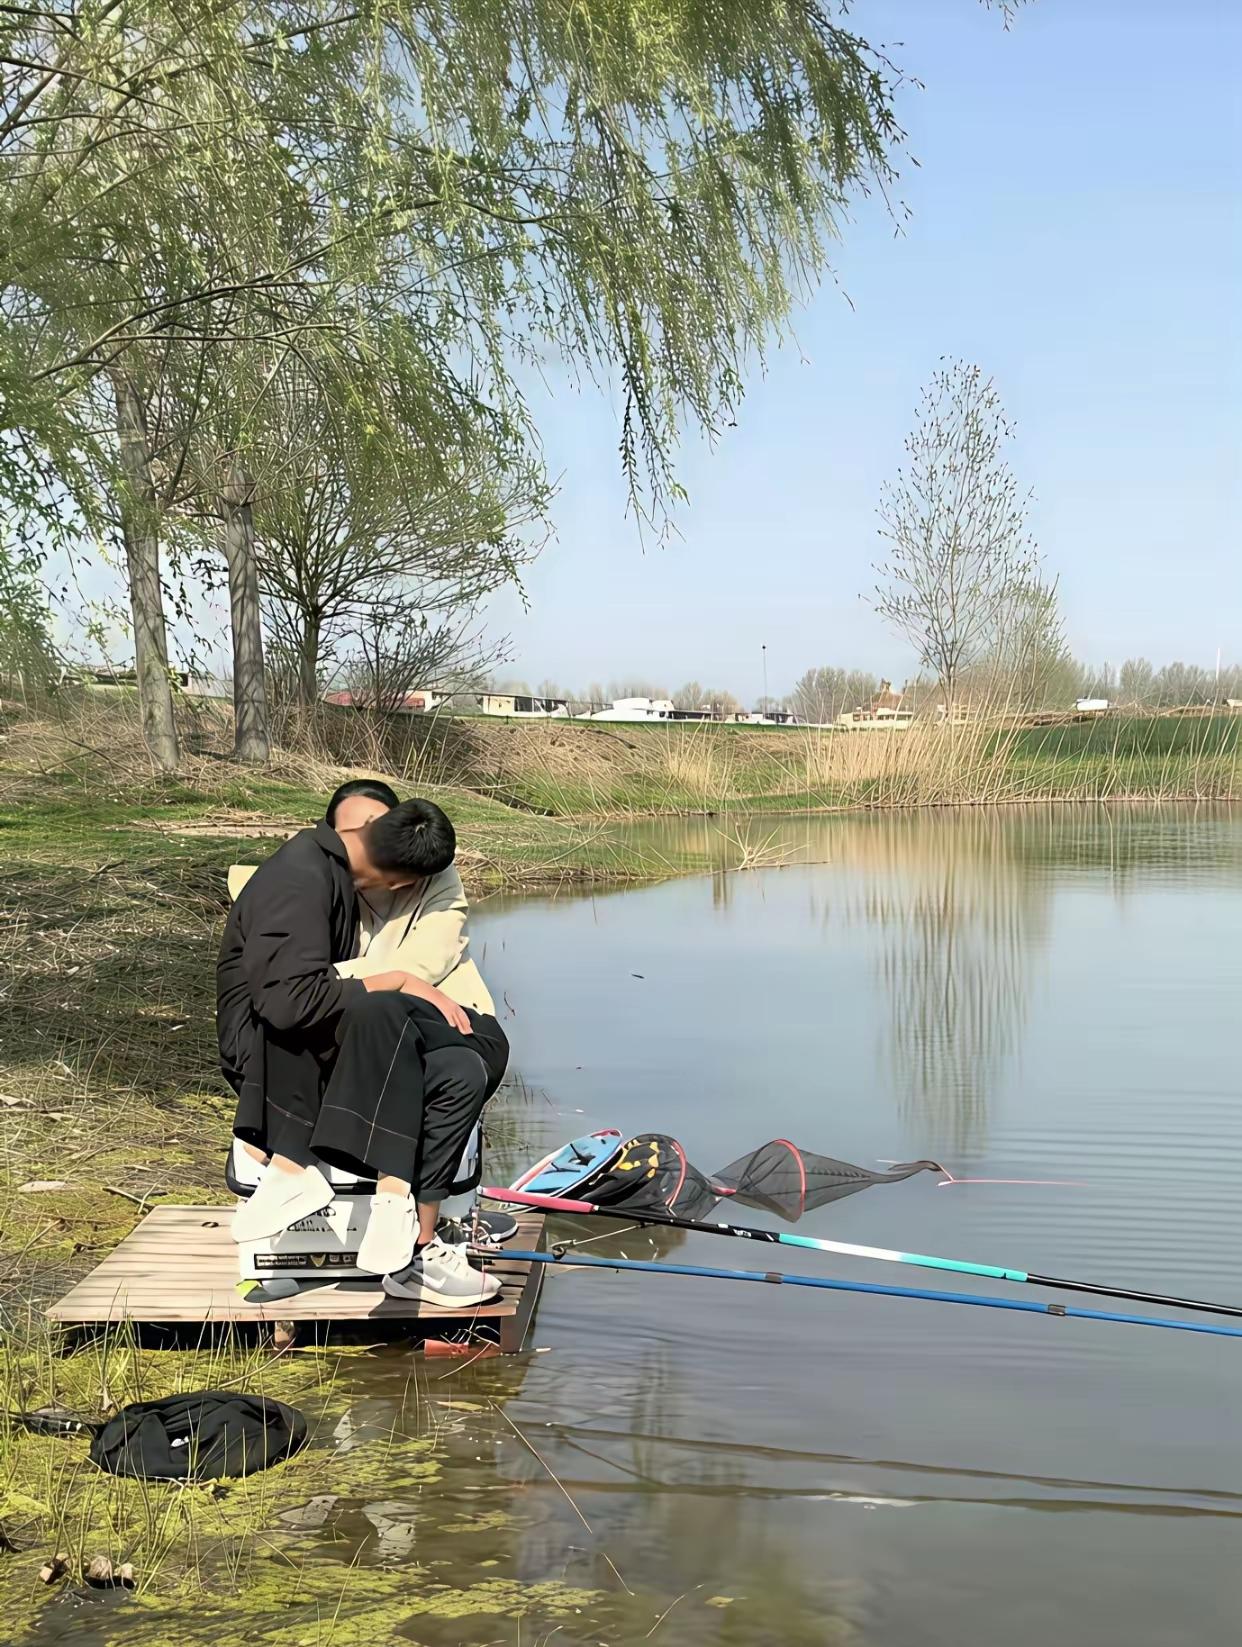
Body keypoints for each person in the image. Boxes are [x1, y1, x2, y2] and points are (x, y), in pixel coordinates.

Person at [216, 789, 508, 1303]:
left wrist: (388, 981)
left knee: (461, 1063)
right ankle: (401, 1222)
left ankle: (407, 1226)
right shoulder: (301, 878)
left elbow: (415, 960)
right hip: (272, 1046)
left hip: (331, 1033)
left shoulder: (333, 870)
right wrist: (391, 979)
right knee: (409, 1023)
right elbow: (289, 1003)